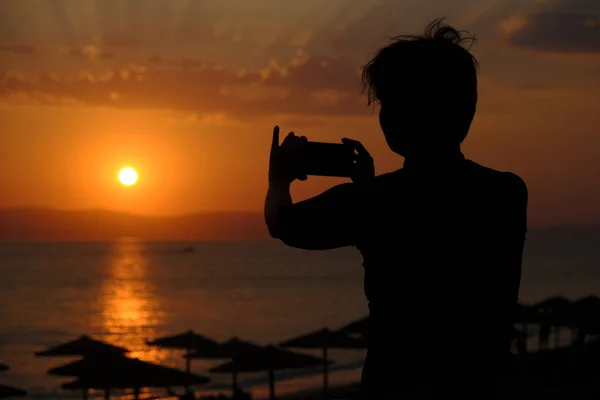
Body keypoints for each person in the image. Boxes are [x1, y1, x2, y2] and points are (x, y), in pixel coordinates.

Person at [265, 18, 528, 399]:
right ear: (467, 110)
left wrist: (278, 180)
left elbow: (283, 224)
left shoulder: (374, 203)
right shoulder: (507, 192)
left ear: (399, 117)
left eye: (386, 103)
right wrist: (369, 190)